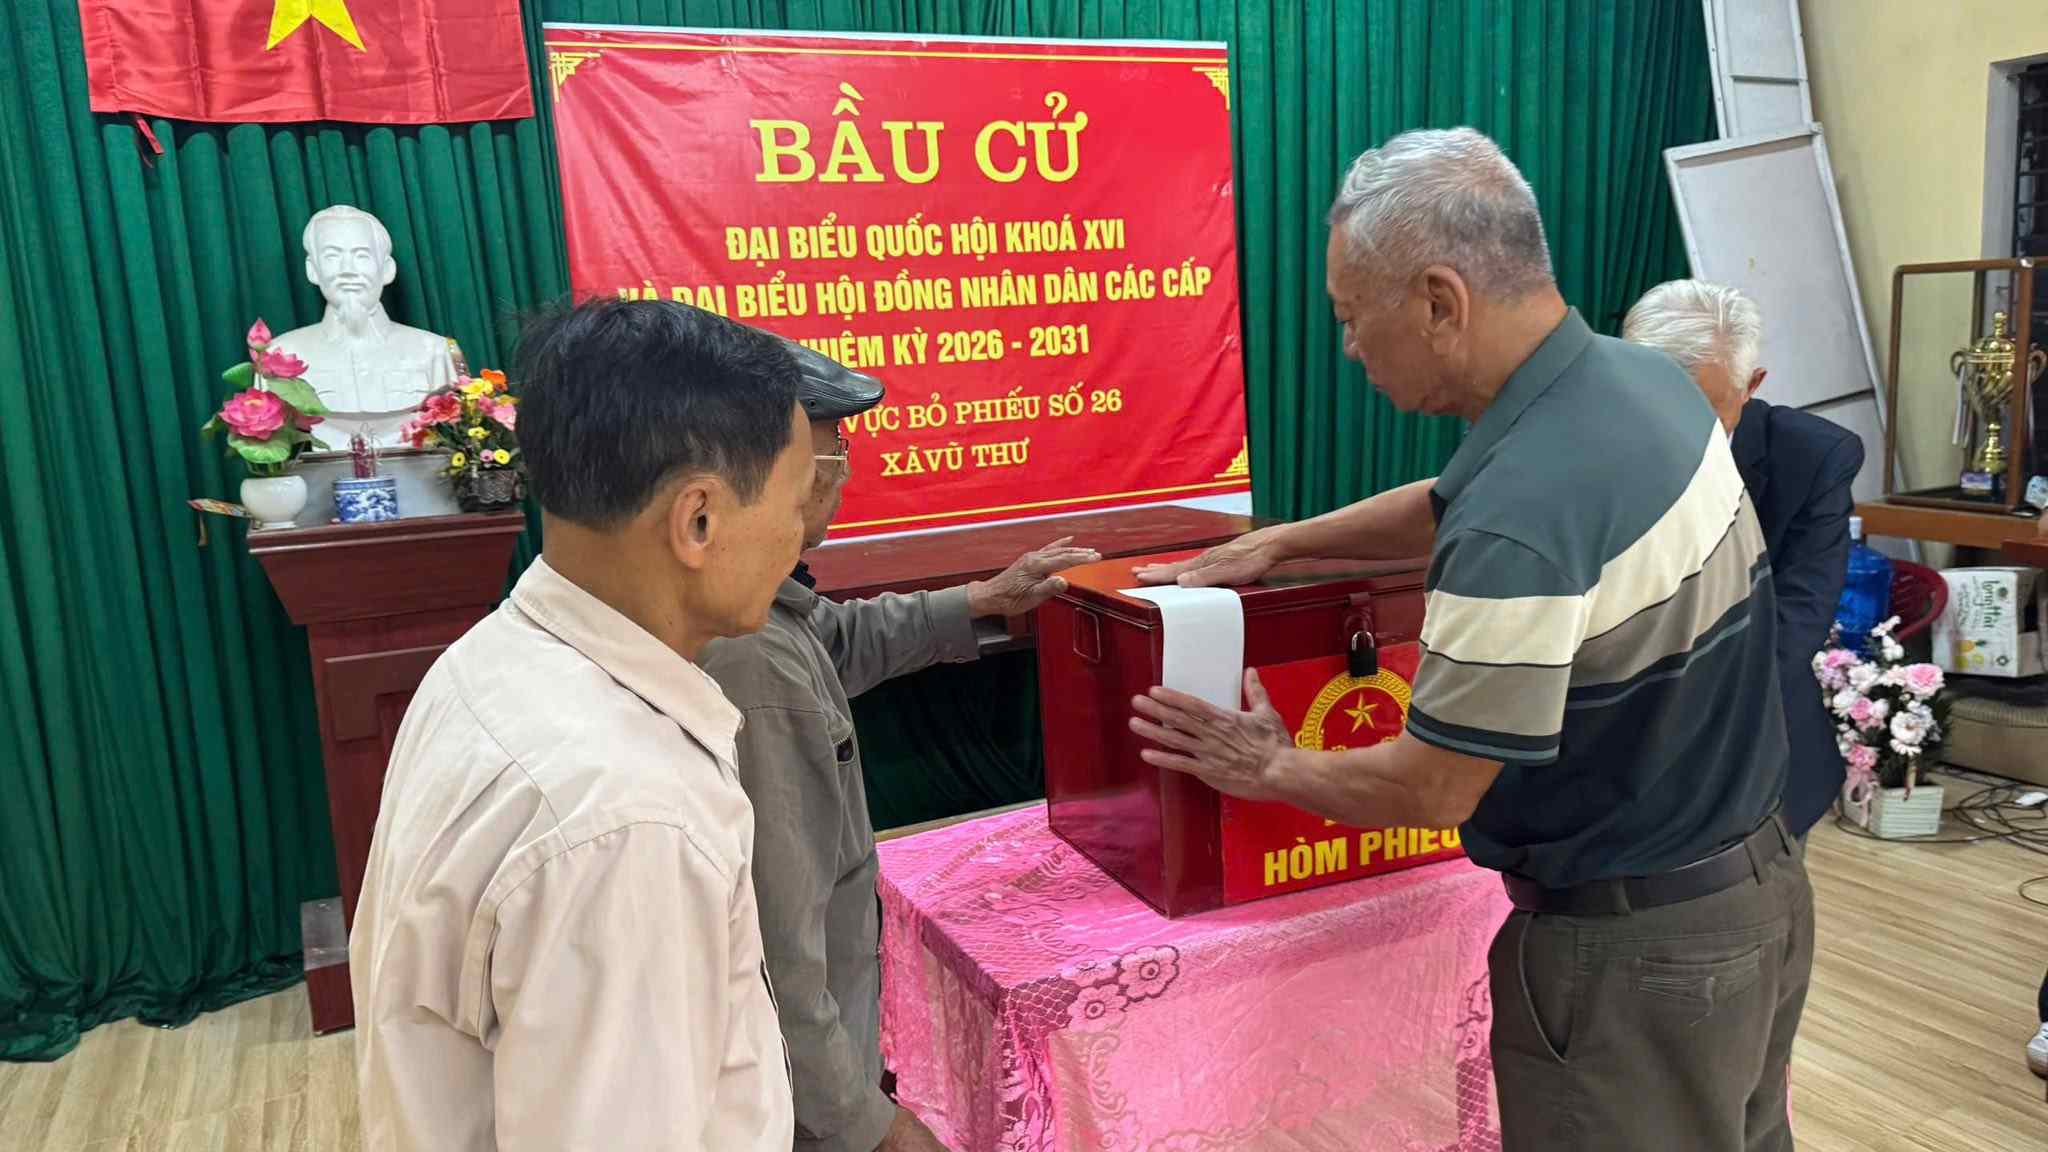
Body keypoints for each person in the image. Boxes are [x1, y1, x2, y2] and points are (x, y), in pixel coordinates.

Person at [1129, 128, 1812, 1151]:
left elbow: (1429, 790)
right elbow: (1456, 501)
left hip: (1630, 961)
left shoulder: (1522, 510)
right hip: (1756, 893)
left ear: (1441, 302)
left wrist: (1268, 764)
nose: (1349, 347)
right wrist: (1278, 547)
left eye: (1353, 317)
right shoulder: (1640, 385)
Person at [351, 299, 813, 1151]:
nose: (801, 530)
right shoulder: (626, 820)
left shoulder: (486, 664)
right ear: (698, 520)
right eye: (798, 495)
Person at [699, 348, 1099, 1152]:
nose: (846, 469)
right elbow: (784, 946)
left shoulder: (755, 603)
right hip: (798, 1104)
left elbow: (837, 638)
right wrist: (864, 1123)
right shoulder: (751, 662)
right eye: (833, 447)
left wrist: (982, 600)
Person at [1623, 280, 1864, 839]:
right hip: (1611, 752)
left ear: (1750, 385)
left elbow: (1795, 622)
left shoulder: (1811, 457)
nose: (1671, 427)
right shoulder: (1585, 438)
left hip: (1753, 747)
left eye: (1700, 408)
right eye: (1650, 403)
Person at [269, 204, 458, 446]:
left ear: (387, 269)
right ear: (313, 270)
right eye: (332, 256)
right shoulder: (280, 355)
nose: (348, 270)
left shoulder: (436, 351)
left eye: (361, 256)